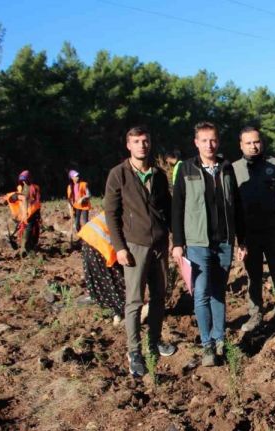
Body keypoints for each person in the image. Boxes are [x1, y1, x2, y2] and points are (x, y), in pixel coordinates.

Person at [171, 121, 247, 367]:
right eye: (204, 140)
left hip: (223, 242)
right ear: (196, 143)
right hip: (197, 242)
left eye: (213, 140)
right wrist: (178, 243)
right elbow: (177, 208)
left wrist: (240, 240)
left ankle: (219, 338)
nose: (209, 144)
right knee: (201, 293)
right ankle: (207, 346)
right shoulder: (185, 169)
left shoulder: (226, 168)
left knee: (218, 293)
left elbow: (236, 206)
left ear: (218, 141)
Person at [103, 126, 176, 377]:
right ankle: (134, 350)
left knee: (159, 296)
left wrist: (174, 238)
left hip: (159, 244)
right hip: (134, 246)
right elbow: (111, 214)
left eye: (145, 141)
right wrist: (120, 247)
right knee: (134, 301)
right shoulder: (118, 174)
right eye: (136, 142)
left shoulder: (158, 175)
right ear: (128, 146)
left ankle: (154, 341)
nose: (142, 146)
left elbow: (167, 208)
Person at [232, 126, 275, 333]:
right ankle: (255, 314)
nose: (253, 146)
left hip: (273, 231)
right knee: (253, 276)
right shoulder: (233, 169)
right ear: (241, 145)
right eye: (248, 143)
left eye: (256, 142)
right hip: (248, 233)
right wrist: (237, 238)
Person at [78, 212, 126, 325]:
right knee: (112, 277)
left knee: (108, 278)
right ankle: (117, 311)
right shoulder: (134, 214)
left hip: (90, 236)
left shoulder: (126, 204)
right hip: (98, 242)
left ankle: (116, 308)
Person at [4, 170, 41, 255]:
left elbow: (36, 201)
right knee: (24, 231)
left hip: (32, 213)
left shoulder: (34, 188)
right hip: (23, 214)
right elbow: (18, 199)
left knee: (31, 231)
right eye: (23, 180)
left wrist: (37, 213)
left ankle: (28, 248)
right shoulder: (20, 188)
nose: (24, 182)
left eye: (25, 180)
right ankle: (25, 248)